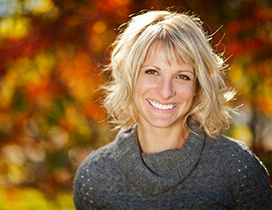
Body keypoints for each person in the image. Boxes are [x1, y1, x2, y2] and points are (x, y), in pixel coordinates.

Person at [73, 10, 271, 209]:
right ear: (129, 78)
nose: (165, 91)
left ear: (198, 86)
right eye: (152, 71)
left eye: (182, 76)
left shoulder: (238, 167)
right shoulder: (93, 176)